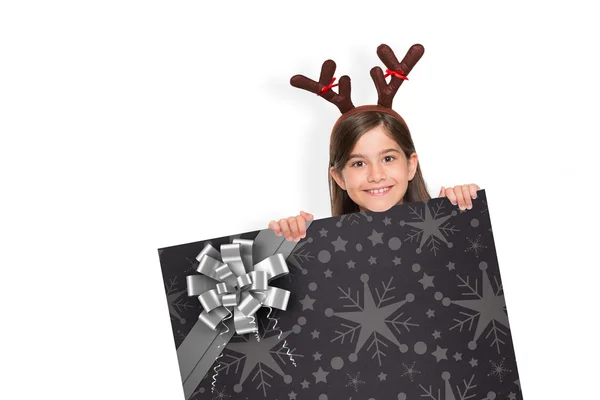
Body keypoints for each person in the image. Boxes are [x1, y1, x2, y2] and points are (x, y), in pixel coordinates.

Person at [268, 43, 480, 242]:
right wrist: (286, 243)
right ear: (339, 177)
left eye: (388, 158)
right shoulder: (326, 247)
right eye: (358, 163)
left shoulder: (451, 226)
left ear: (411, 165)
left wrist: (462, 210)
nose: (376, 176)